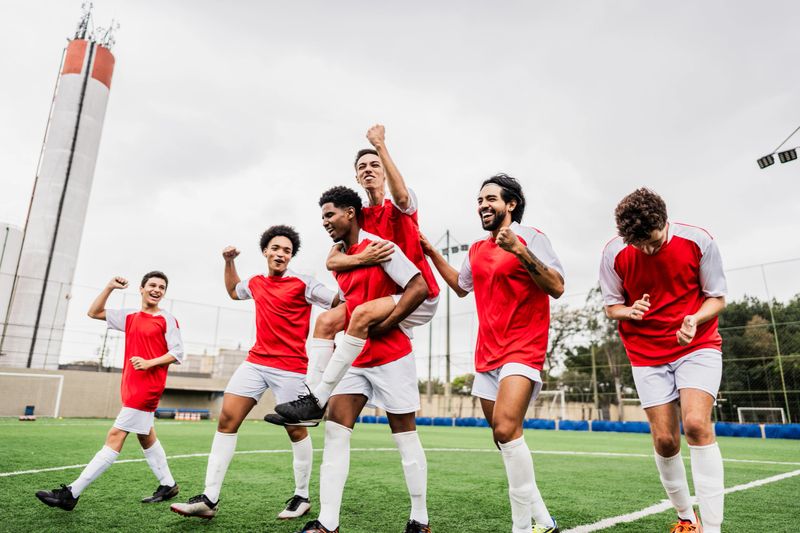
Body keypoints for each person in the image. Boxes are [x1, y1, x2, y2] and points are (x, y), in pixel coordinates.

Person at [422, 174, 563, 533]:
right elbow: (460, 286)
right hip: (487, 355)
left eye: (490, 199)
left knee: (504, 428)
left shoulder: (531, 237)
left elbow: (557, 286)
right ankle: (544, 520)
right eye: (479, 200)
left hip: (523, 348)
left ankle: (520, 527)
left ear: (510, 204)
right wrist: (432, 252)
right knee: (503, 438)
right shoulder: (476, 249)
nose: (483, 205)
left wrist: (520, 250)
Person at [170, 225, 338, 521]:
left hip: (291, 368)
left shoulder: (304, 283)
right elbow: (234, 292)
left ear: (291, 256)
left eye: (287, 250)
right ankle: (209, 498)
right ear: (265, 251)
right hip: (256, 362)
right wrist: (229, 262)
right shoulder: (257, 282)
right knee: (227, 419)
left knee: (295, 429)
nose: (280, 254)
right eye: (275, 248)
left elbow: (338, 302)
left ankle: (301, 497)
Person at [274, 125, 439, 423]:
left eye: (375, 164)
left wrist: (380, 145)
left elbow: (401, 197)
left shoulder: (401, 205)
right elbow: (333, 260)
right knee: (326, 320)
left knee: (362, 315)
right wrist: (363, 257)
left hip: (416, 293)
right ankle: (311, 400)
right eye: (362, 166)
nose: (369, 170)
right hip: (380, 294)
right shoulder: (358, 214)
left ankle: (322, 393)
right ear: (356, 177)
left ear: (386, 171)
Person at [293, 186, 431, 533]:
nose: (325, 222)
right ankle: (328, 523)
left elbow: (418, 287)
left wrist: (386, 323)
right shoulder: (340, 257)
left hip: (391, 356)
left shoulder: (382, 247)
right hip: (354, 359)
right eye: (322, 217)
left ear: (350, 212)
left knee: (405, 438)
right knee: (337, 434)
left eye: (330, 215)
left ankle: (420, 519)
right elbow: (346, 299)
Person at [599, 188, 726, 533]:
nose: (647, 250)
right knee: (665, 440)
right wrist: (629, 311)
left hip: (696, 345)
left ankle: (713, 529)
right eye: (638, 244)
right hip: (645, 354)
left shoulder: (699, 241)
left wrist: (694, 319)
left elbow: (716, 298)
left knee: (697, 425)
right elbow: (611, 307)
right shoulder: (613, 252)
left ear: (664, 221)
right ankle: (687, 519)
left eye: (653, 241)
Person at [35, 271, 183, 510]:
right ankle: (168, 484)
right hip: (131, 385)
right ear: (142, 288)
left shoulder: (167, 319)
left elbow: (177, 354)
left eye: (162, 287)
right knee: (145, 436)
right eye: (153, 285)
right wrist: (109, 287)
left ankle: (72, 493)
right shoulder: (130, 316)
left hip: (147, 387)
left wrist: (149, 362)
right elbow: (93, 312)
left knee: (115, 436)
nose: (157, 290)